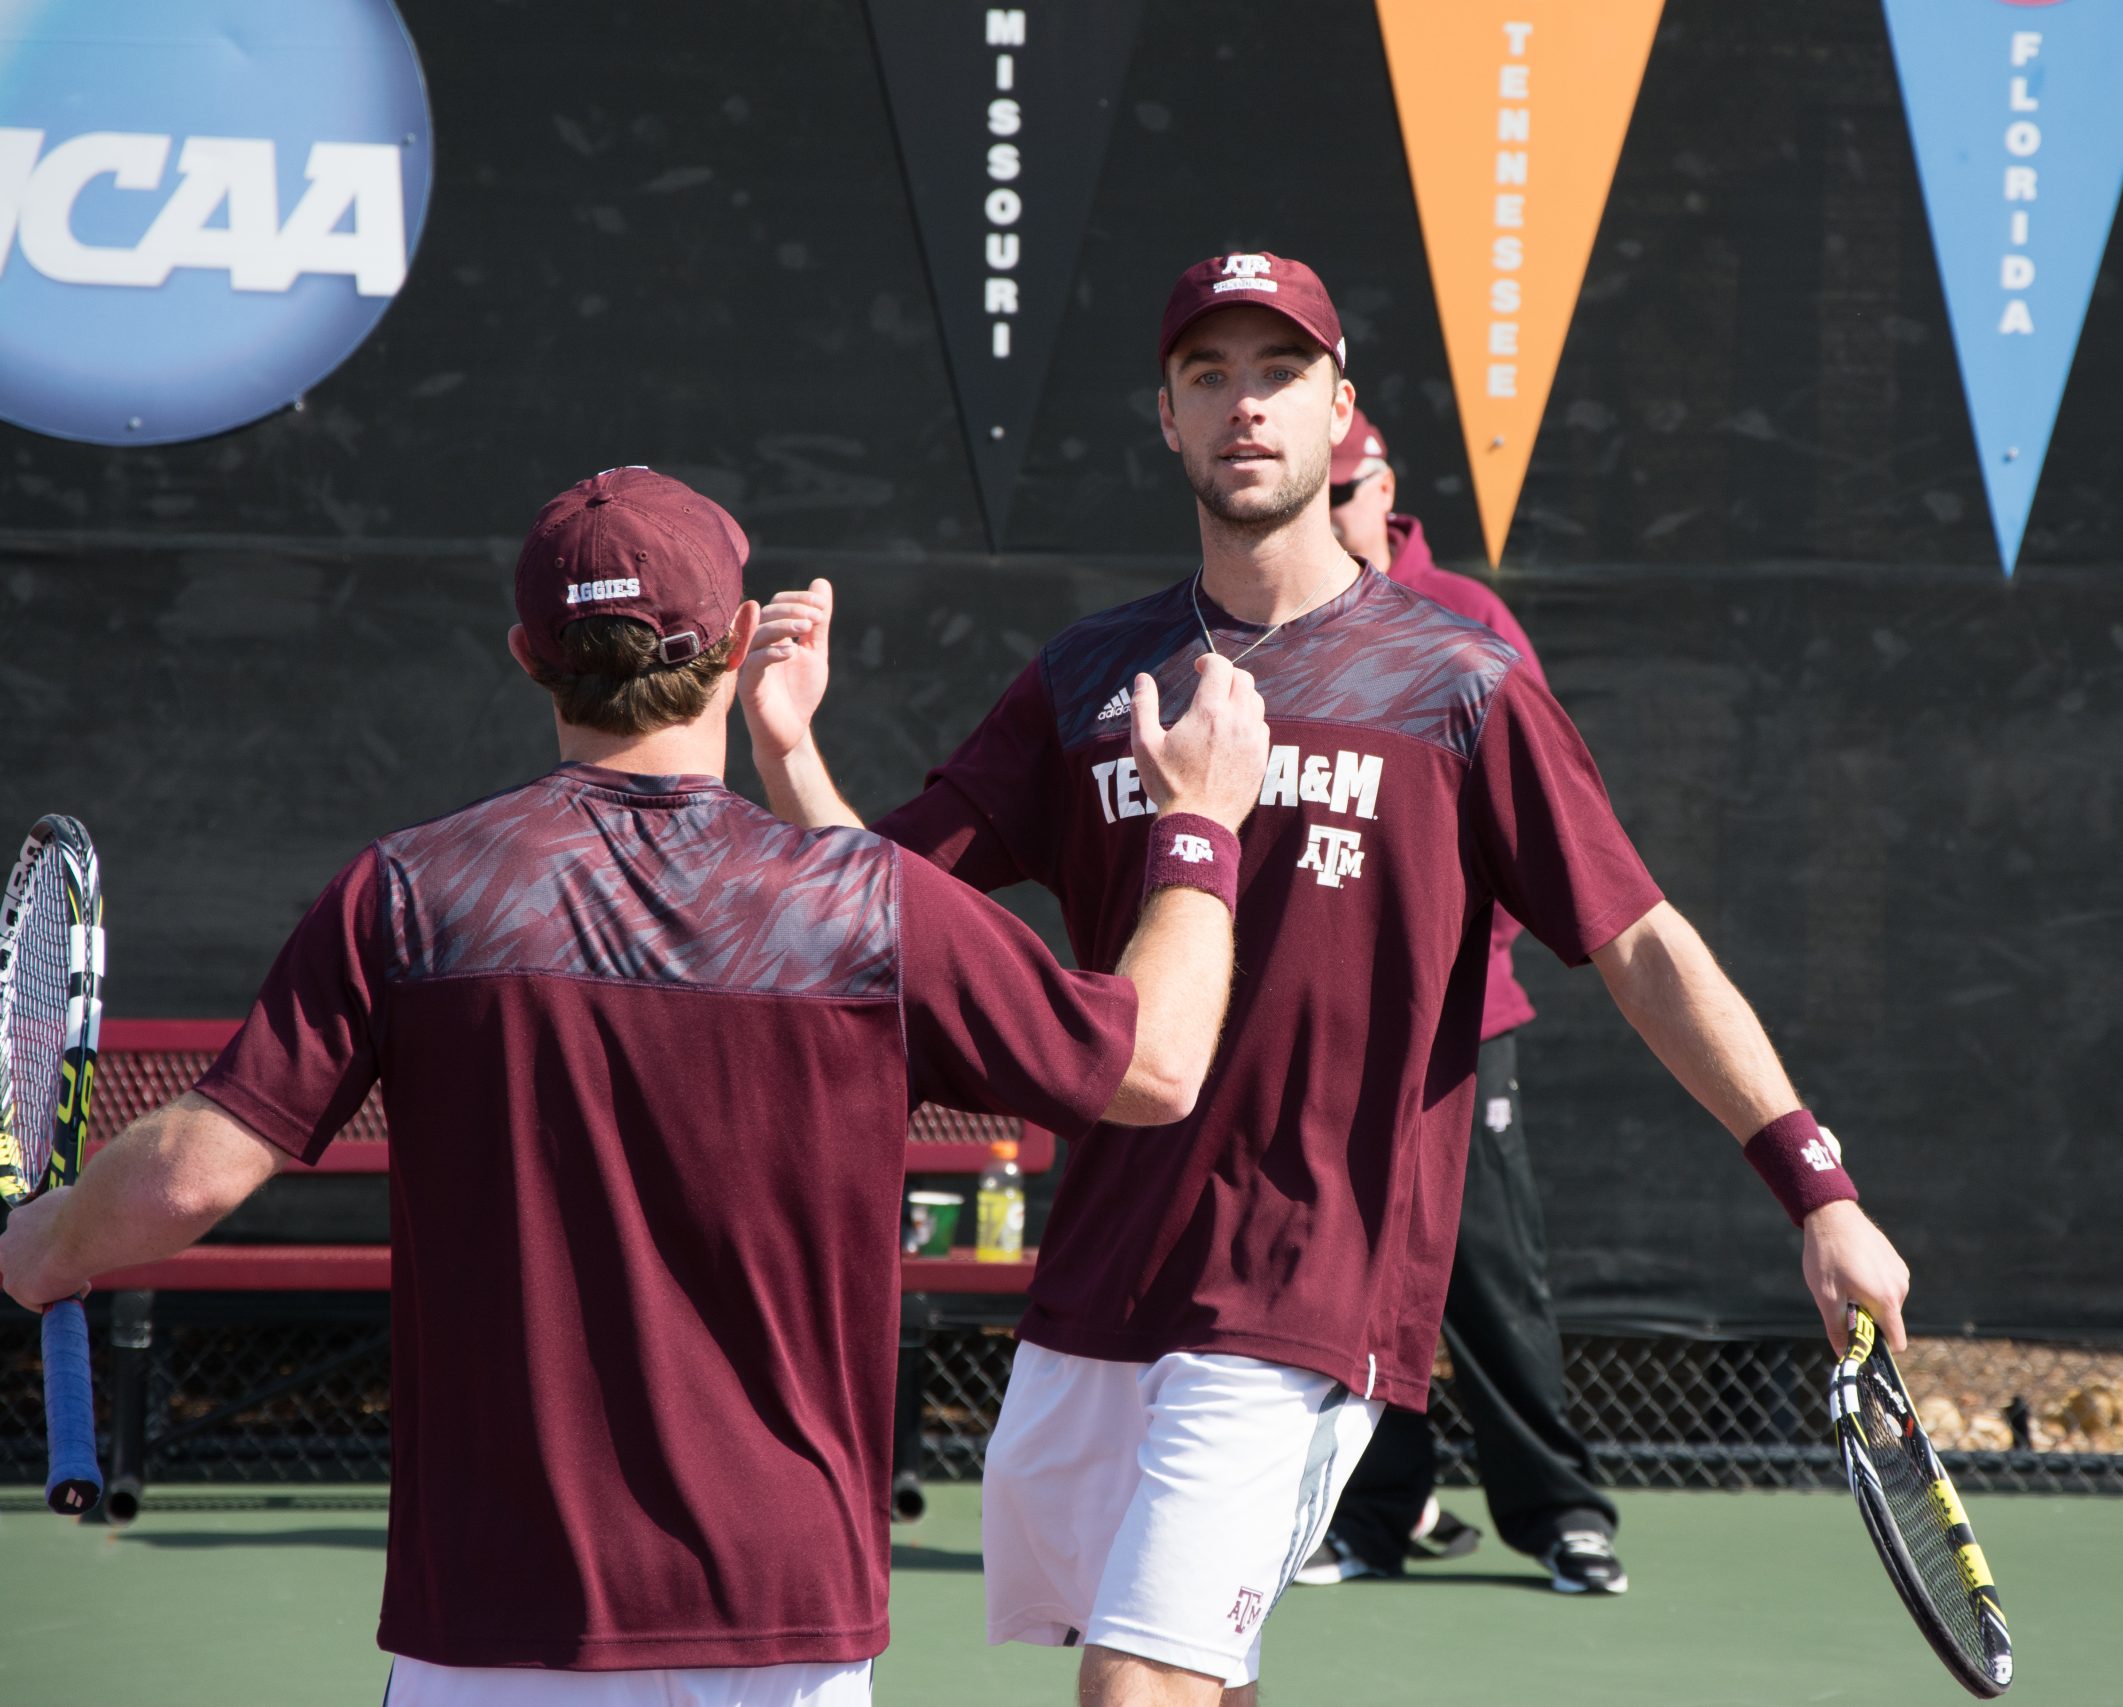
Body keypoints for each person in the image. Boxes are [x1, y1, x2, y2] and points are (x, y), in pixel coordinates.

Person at [743, 252, 1914, 1707]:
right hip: (1105, 1271)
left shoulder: (1458, 682)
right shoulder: (1091, 677)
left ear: (1341, 413)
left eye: (1280, 374)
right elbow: (883, 910)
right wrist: (791, 752)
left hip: (1313, 1273)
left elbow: (1643, 941)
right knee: (1197, 1675)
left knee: (1140, 1684)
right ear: (1165, 419)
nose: (1246, 407)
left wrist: (1820, 1184)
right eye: (1209, 376)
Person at [0, 466, 1272, 1707]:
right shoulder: (867, 905)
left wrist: (48, 1244)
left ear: (525, 653)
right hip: (785, 1622)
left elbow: (192, 1172)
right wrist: (1201, 822)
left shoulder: (405, 894)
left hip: (499, 1627)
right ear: (731, 642)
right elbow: (1157, 1067)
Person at [1296, 407, 1624, 1595]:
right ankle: (1373, 1521)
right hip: (1332, 1028)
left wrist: (1447, 949)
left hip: (1463, 1023)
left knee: (1486, 1278)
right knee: (1358, 1279)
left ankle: (1565, 1517)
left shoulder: (1469, 626)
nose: (1330, 517)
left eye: (1346, 494)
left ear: (1385, 491)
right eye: (1315, 495)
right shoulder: (1281, 627)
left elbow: (1535, 824)